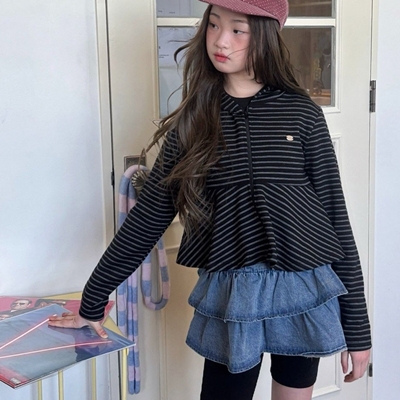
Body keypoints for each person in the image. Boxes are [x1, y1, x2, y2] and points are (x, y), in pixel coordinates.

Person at [49, 0, 372, 399]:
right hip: (232, 291)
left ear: (265, 36)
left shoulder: (302, 114)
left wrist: (358, 328)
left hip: (302, 286)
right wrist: (93, 300)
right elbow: (147, 218)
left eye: (238, 30)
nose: (220, 41)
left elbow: (335, 218)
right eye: (214, 25)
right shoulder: (193, 121)